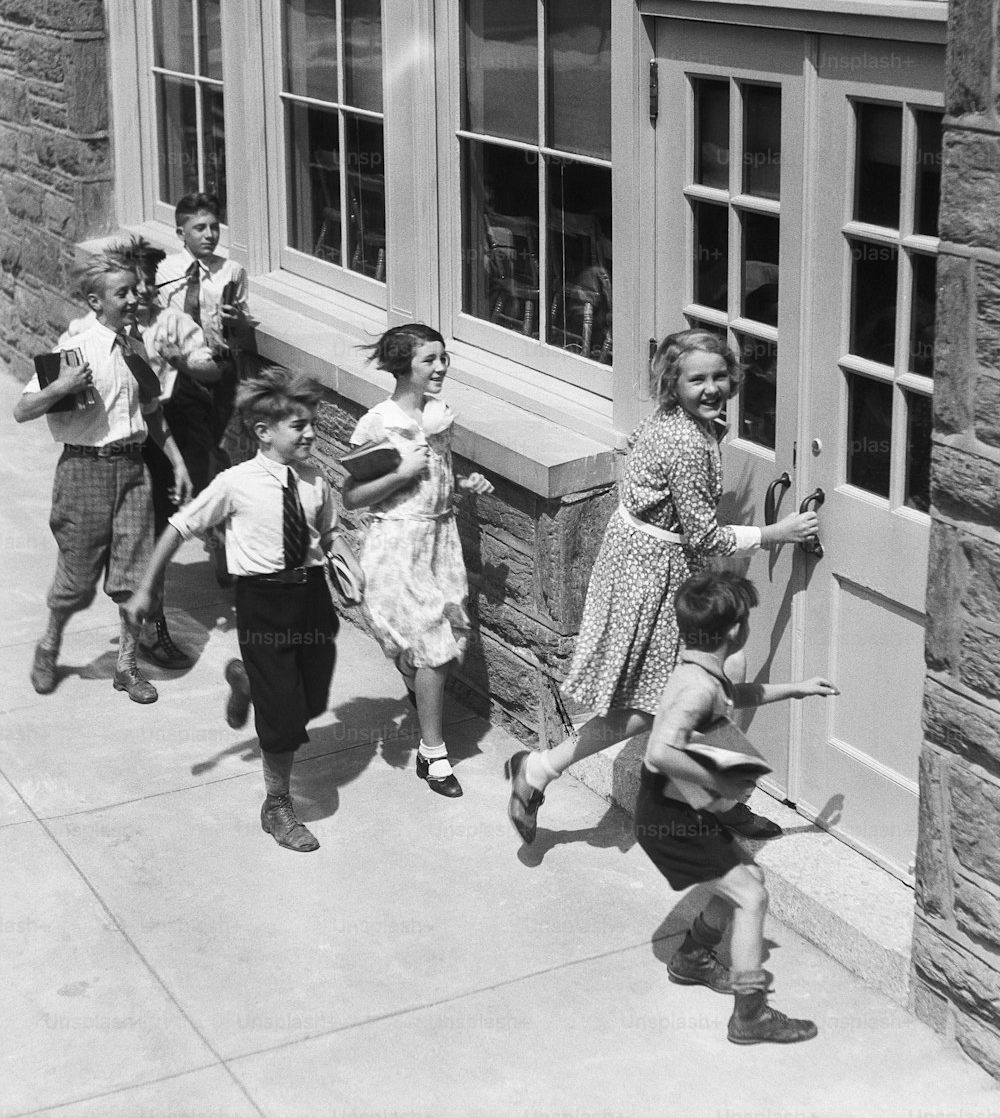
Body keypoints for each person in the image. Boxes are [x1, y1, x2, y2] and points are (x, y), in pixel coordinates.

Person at [506, 328, 819, 843]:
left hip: (644, 563)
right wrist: (773, 533)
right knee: (662, 700)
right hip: (651, 572)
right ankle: (715, 800)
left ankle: (544, 772)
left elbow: (642, 453)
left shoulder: (676, 421)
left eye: (720, 376)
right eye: (698, 379)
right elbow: (703, 533)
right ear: (673, 383)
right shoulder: (686, 439)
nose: (712, 388)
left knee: (681, 692)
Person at [126, 367, 339, 852]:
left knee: (309, 699)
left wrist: (345, 558)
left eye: (312, 424)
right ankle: (278, 805)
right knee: (284, 714)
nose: (310, 433)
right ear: (263, 432)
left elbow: (327, 534)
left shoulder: (315, 480)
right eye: (298, 426)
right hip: (262, 602)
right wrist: (144, 590)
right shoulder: (235, 483)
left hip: (312, 596)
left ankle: (246, 680)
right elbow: (179, 527)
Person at [636, 570, 838, 1044]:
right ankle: (751, 1015)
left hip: (679, 808)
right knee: (751, 896)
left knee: (750, 879)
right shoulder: (697, 687)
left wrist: (796, 688)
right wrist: (720, 781)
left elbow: (734, 695)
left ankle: (692, 957)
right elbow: (660, 752)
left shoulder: (700, 672)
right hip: (670, 816)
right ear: (734, 632)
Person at [15, 258, 193, 704]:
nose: (134, 299)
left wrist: (177, 462)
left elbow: (152, 414)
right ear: (96, 302)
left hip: (133, 471)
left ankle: (127, 666)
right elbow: (23, 410)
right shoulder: (74, 348)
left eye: (135, 290)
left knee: (134, 576)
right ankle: (51, 643)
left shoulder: (136, 347)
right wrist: (61, 387)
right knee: (75, 581)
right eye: (123, 293)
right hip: (84, 471)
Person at [341, 324, 494, 799]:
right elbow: (352, 497)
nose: (441, 368)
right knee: (435, 649)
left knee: (450, 641)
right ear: (402, 365)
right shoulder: (378, 423)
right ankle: (434, 754)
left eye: (444, 358)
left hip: (441, 539)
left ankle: (416, 685)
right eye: (430, 360)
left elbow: (439, 474)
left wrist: (464, 483)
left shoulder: (440, 416)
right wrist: (403, 472)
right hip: (399, 543)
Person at [63, 237, 221, 669]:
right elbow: (56, 392)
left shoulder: (170, 322)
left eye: (145, 284)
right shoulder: (84, 332)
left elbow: (211, 369)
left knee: (154, 534)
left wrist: (180, 360)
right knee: (100, 554)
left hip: (162, 429)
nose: (140, 295)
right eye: (130, 288)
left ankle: (154, 630)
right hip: (116, 443)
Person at [156, 191, 254, 585]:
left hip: (221, 371)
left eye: (215, 227)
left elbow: (241, 328)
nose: (209, 235)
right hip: (181, 373)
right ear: (182, 233)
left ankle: (213, 528)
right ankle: (212, 534)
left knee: (216, 447)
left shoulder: (232, 271)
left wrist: (237, 319)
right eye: (200, 228)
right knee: (204, 457)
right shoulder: (166, 271)